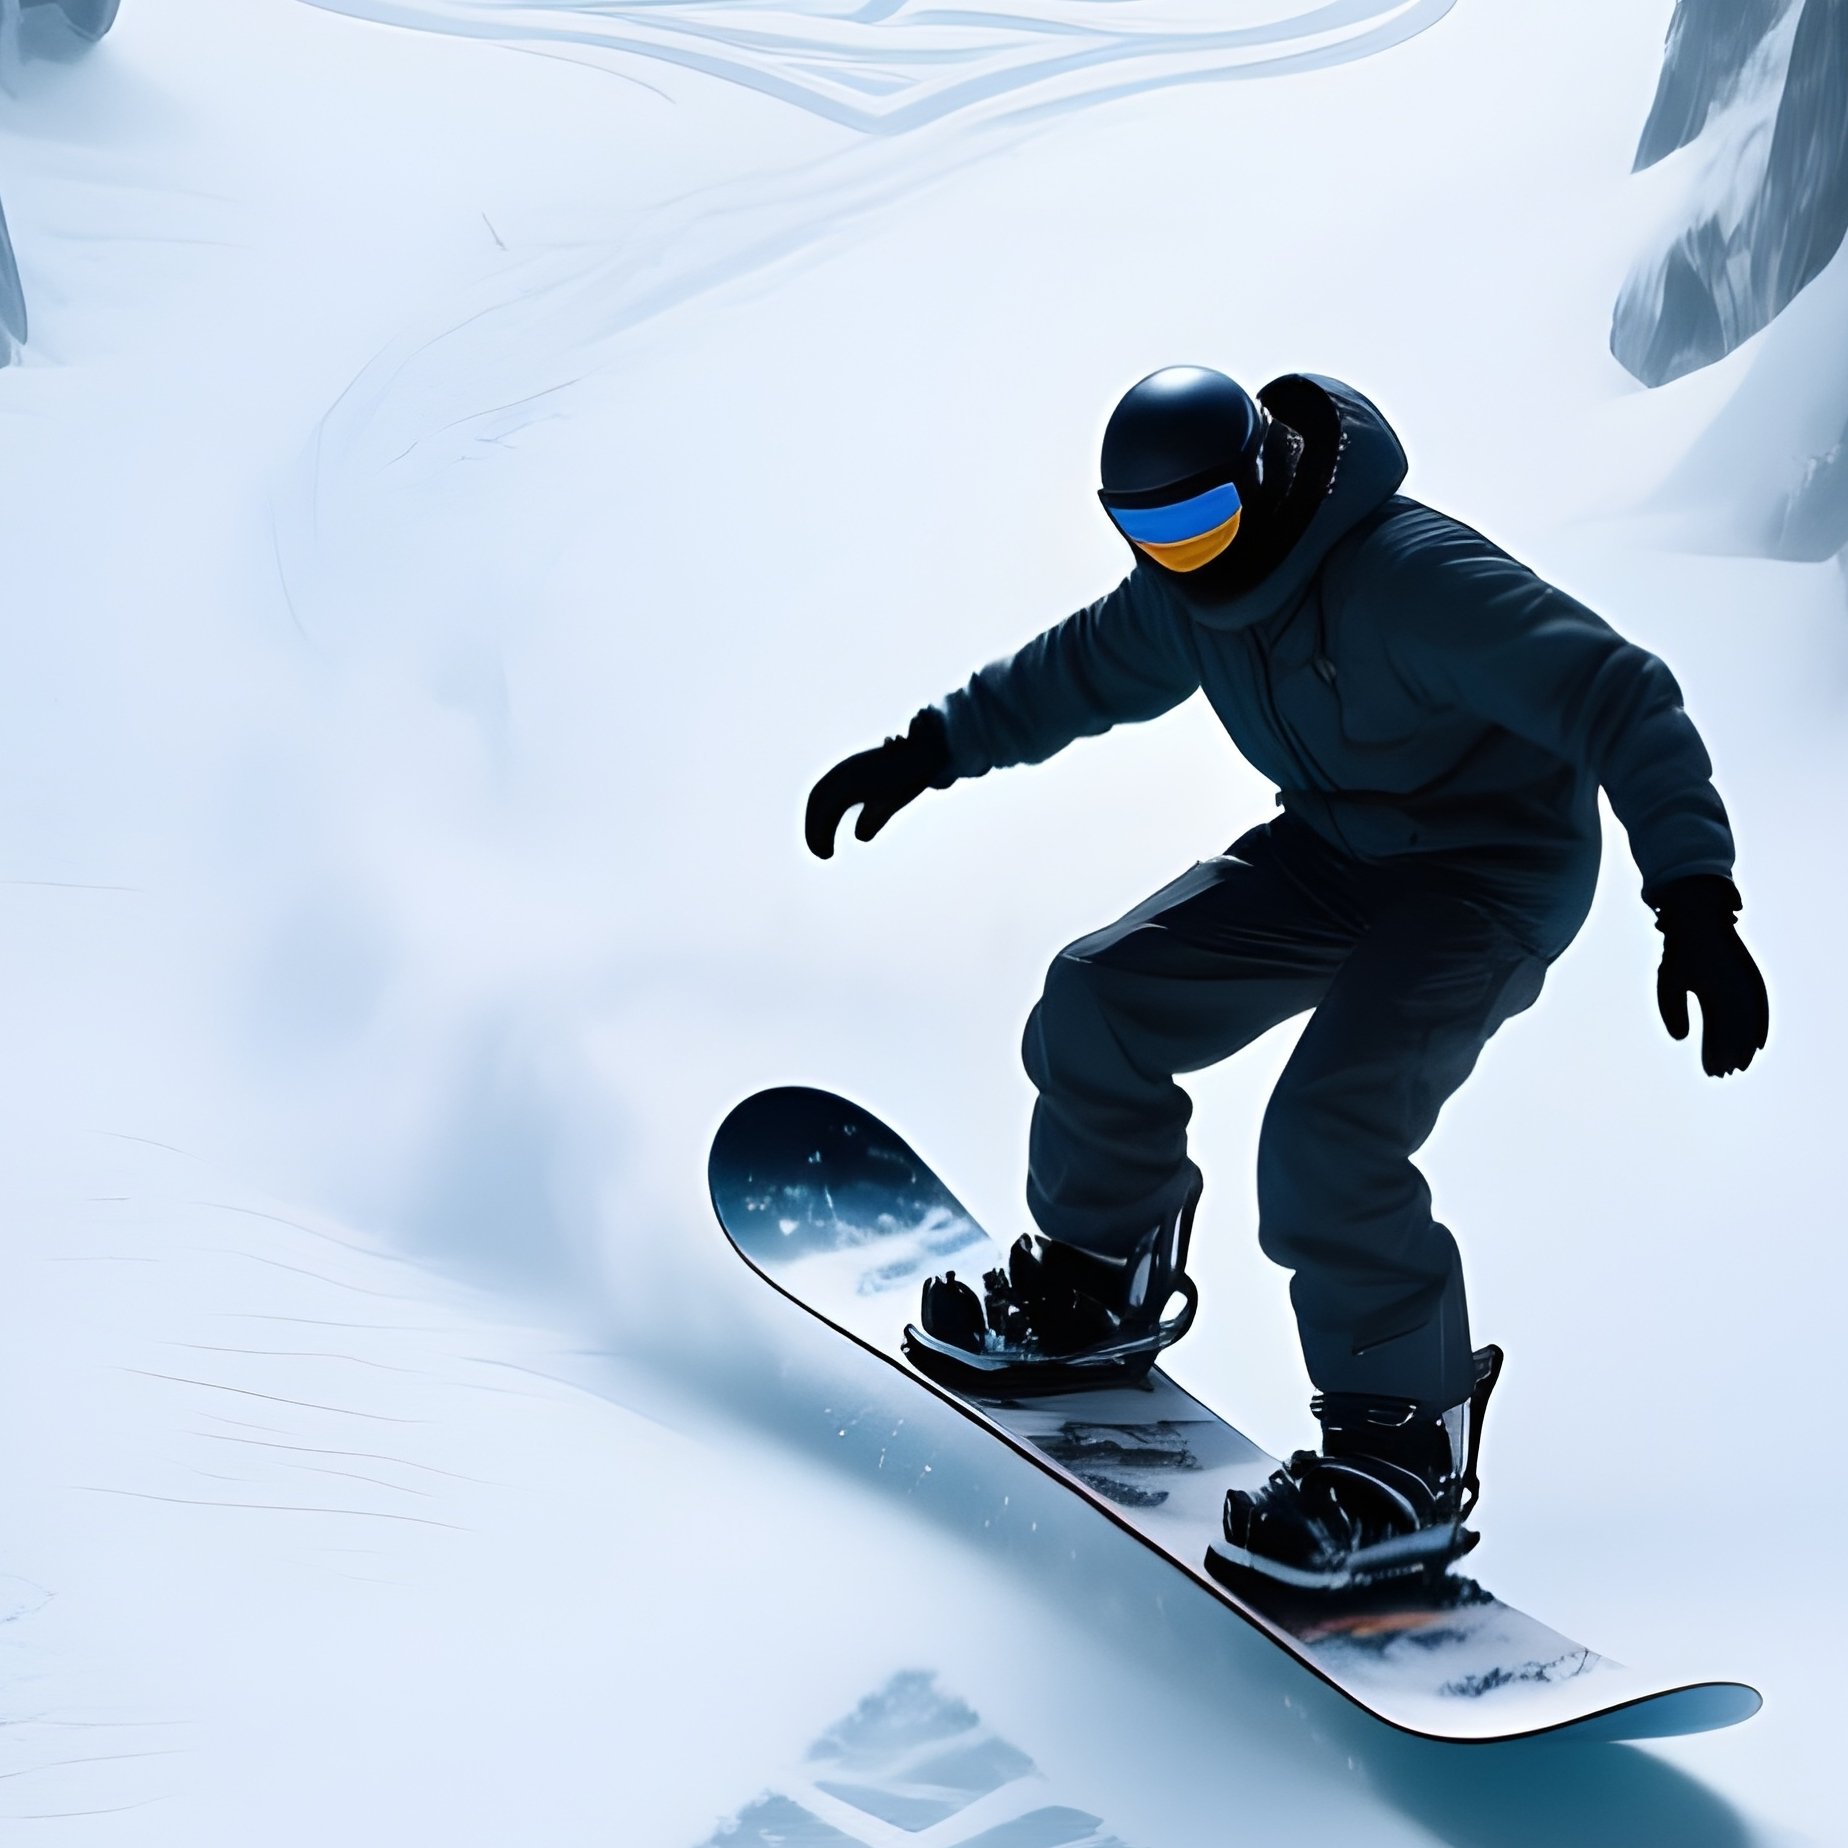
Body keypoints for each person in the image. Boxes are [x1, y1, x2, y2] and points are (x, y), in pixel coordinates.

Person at [803, 367, 1768, 1591]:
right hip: (1337, 849)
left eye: (1201, 523)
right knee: (1100, 998)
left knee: (1329, 1134)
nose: (1185, 557)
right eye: (1149, 534)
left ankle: (1400, 1457)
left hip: (1487, 878)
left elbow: (1617, 693)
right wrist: (926, 751)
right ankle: (1103, 1283)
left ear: (1261, 480)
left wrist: (1694, 899)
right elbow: (1077, 673)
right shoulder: (1185, 597)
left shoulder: (1409, 579)